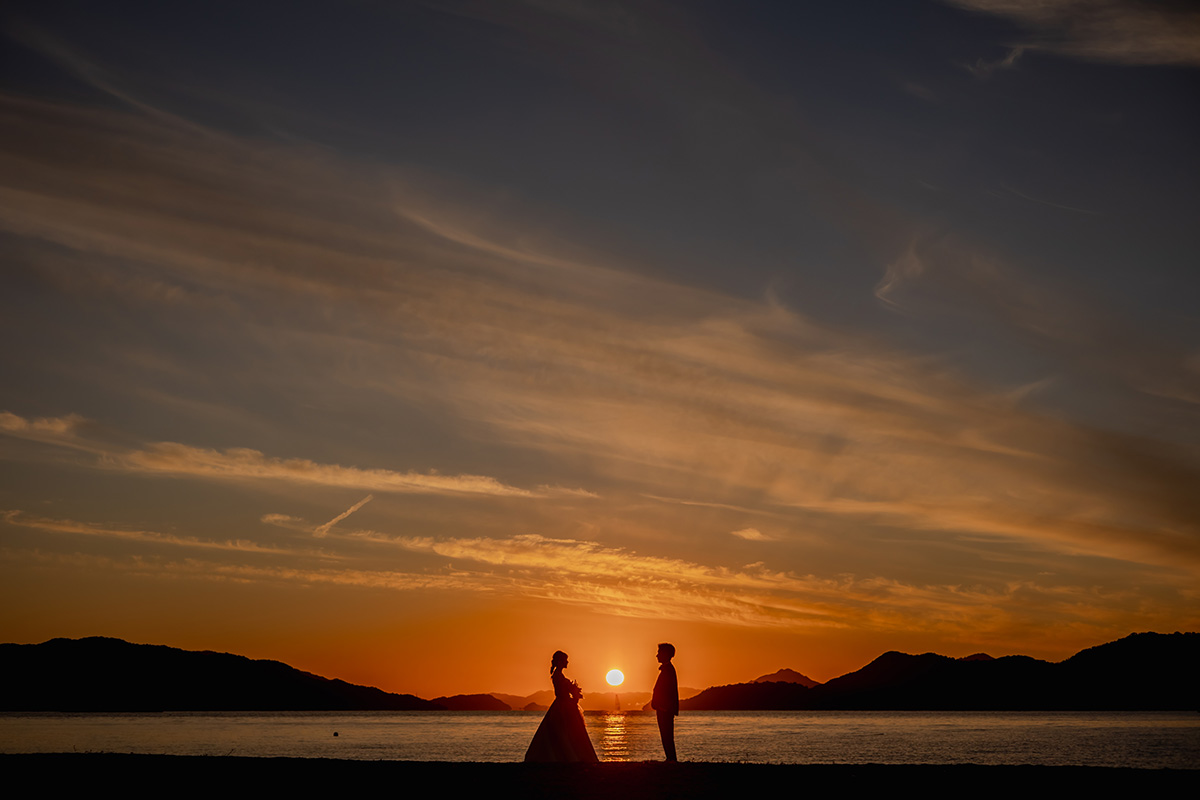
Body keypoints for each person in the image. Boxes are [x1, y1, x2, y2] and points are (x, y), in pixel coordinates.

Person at [524, 650, 599, 762]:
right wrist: (574, 693)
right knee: (565, 732)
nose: (567, 662)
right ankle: (570, 757)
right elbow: (561, 692)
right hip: (563, 706)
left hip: (563, 704)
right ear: (560, 661)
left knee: (566, 732)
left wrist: (573, 693)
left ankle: (566, 756)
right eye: (565, 660)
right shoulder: (558, 676)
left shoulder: (558, 675)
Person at [651, 642, 679, 761]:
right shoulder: (666, 670)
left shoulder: (668, 671)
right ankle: (670, 758)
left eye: (659, 652)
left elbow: (669, 691)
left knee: (667, 735)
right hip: (663, 709)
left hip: (665, 710)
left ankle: (671, 759)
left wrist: (664, 707)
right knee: (665, 735)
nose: (656, 655)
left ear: (666, 654)